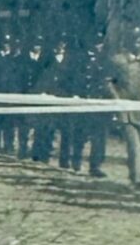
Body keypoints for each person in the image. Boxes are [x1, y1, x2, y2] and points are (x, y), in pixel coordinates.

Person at [106, 25, 140, 189]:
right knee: (134, 145)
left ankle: (134, 167)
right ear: (128, 42)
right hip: (126, 110)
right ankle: (138, 178)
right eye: (135, 40)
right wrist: (117, 100)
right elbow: (108, 82)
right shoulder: (118, 61)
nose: (138, 44)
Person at [33, 36, 73, 165]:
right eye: (58, 44)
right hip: (48, 96)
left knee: (66, 129)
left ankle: (64, 160)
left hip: (64, 97)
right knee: (46, 127)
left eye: (63, 44)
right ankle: (42, 156)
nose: (60, 46)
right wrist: (41, 91)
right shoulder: (46, 57)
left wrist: (72, 94)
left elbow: (74, 77)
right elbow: (38, 74)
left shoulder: (70, 59)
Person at [73, 30, 109, 177]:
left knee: (99, 137)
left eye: (100, 43)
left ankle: (95, 166)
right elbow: (74, 78)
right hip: (82, 102)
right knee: (80, 135)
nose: (98, 46)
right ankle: (76, 163)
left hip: (100, 104)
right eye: (95, 43)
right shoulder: (80, 59)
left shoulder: (107, 61)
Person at [0, 35, 21, 153]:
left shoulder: (15, 57)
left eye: (8, 43)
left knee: (10, 120)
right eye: (4, 43)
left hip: (11, 92)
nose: (6, 45)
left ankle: (9, 144)